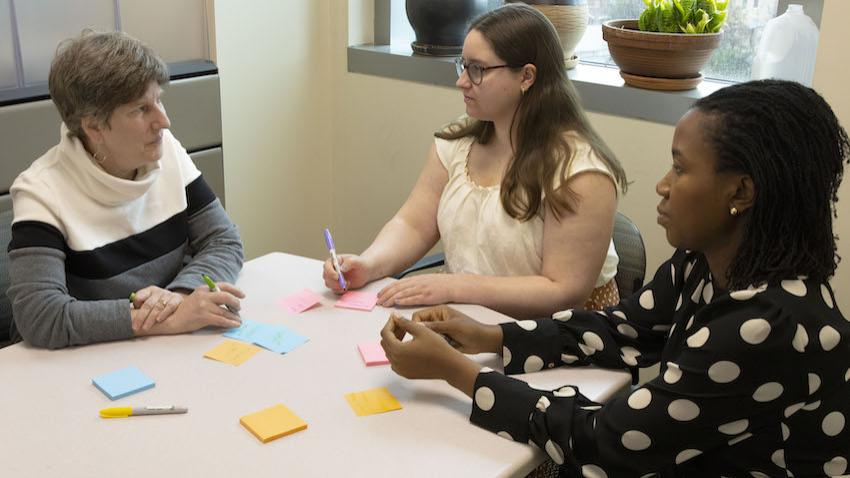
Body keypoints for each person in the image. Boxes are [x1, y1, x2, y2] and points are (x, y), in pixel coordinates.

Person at [380, 80, 850, 477]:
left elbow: (605, 441)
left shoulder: (768, 326)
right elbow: (619, 328)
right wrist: (490, 336)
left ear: (741, 192)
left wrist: (455, 371)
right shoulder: (705, 265)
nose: (663, 185)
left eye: (681, 168)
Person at [323, 4, 627, 319]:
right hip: (472, 319)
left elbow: (563, 291)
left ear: (526, 76)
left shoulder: (581, 173)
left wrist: (455, 287)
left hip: (558, 338)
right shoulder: (457, 143)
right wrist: (368, 264)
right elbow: (412, 224)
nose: (462, 82)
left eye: (478, 70)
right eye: (463, 65)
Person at [7, 31, 244, 349]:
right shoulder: (42, 191)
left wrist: (178, 296)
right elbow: (41, 317)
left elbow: (224, 240)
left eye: (158, 100)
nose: (164, 121)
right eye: (141, 110)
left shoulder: (166, 151)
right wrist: (166, 320)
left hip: (162, 351)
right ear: (93, 127)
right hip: (84, 364)